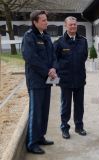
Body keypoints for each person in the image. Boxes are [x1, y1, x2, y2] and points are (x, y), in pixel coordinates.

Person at [22, 10, 57, 154]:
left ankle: (41, 136)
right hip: (36, 81)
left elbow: (53, 55)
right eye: (43, 20)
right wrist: (47, 71)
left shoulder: (47, 37)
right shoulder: (29, 37)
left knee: (44, 110)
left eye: (46, 19)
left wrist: (54, 68)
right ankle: (32, 143)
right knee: (35, 112)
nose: (46, 22)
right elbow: (31, 58)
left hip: (48, 79)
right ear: (35, 22)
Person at [54, 16, 88, 139]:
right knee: (66, 106)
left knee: (79, 105)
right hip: (65, 80)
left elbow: (84, 57)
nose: (73, 26)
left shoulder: (83, 41)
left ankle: (79, 127)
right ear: (65, 26)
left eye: (74, 24)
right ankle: (64, 128)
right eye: (70, 24)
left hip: (79, 78)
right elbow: (55, 60)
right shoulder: (59, 42)